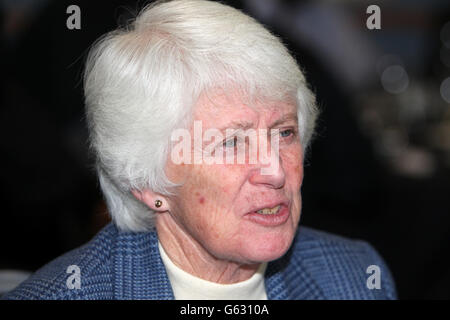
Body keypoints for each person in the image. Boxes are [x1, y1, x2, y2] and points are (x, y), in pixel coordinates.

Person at [3, 0, 396, 300]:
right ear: (147, 181)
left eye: (284, 133)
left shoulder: (356, 276)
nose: (275, 171)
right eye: (231, 142)